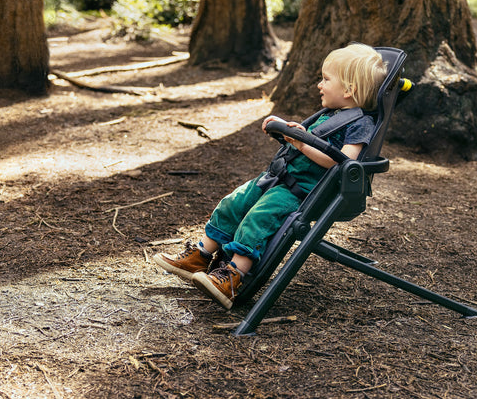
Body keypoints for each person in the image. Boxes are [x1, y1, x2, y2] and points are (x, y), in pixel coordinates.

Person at [153, 43, 388, 309]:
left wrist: (301, 143)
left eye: (326, 79)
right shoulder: (330, 115)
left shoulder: (360, 123)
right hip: (277, 178)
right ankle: (201, 254)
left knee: (259, 218)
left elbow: (343, 163)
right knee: (234, 202)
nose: (319, 85)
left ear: (349, 90)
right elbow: (314, 139)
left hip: (302, 191)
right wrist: (295, 131)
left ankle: (233, 276)